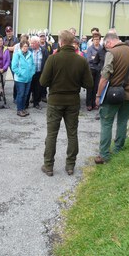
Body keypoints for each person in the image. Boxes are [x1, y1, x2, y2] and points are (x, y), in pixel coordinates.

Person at [40, 30, 93, 175]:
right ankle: (70, 166)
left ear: (61, 42)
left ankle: (49, 166)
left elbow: (43, 81)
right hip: (73, 102)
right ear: (73, 43)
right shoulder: (81, 60)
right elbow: (89, 83)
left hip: (55, 101)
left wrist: (55, 82)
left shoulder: (53, 59)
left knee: (52, 134)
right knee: (72, 133)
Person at [94, 33, 129, 164]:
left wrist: (98, 95)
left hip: (113, 94)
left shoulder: (112, 53)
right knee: (122, 121)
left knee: (107, 122)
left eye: (106, 45)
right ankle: (118, 149)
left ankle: (104, 154)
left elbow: (105, 76)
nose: (106, 48)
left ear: (109, 42)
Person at [11, 40, 35, 117]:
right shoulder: (17, 54)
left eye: (27, 46)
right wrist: (20, 74)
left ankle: (23, 108)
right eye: (24, 46)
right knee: (20, 94)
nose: (26, 48)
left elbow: (33, 65)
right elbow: (14, 67)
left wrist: (32, 73)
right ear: (21, 47)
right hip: (20, 79)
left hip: (29, 78)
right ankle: (19, 110)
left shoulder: (30, 54)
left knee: (26, 94)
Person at [27, 35, 49, 110]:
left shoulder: (44, 51)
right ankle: (26, 103)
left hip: (39, 72)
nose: (31, 45)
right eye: (31, 43)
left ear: (37, 43)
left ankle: (36, 103)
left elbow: (46, 62)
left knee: (38, 88)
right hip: (30, 73)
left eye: (33, 43)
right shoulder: (28, 50)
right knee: (28, 88)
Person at [86, 33, 102, 111]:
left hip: (99, 70)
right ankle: (89, 104)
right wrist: (96, 58)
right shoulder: (89, 48)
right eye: (95, 39)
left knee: (96, 87)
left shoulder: (102, 48)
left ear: (100, 40)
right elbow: (89, 59)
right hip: (91, 70)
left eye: (98, 39)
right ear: (93, 40)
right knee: (90, 87)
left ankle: (95, 103)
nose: (96, 41)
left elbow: (103, 59)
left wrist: (94, 58)